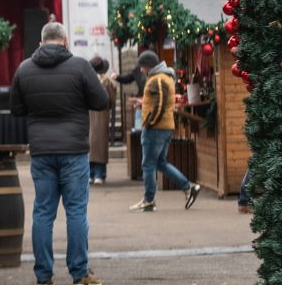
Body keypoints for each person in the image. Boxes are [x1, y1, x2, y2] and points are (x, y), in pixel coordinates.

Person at [8, 23, 109, 285]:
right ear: (65, 41)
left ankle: (43, 276)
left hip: (41, 151)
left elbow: (16, 109)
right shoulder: (80, 66)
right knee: (76, 211)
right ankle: (79, 274)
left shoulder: (24, 69)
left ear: (41, 42)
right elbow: (101, 101)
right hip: (74, 149)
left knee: (43, 211)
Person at [130, 50, 202, 211]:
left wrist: (149, 123)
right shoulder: (163, 77)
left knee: (148, 164)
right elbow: (158, 101)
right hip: (164, 126)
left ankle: (149, 200)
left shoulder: (158, 79)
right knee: (160, 163)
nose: (141, 70)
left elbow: (160, 104)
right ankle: (188, 187)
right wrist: (143, 103)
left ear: (148, 66)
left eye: (142, 67)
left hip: (156, 128)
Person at [87, 56, 114, 186]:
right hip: (102, 116)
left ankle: (90, 174)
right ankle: (100, 174)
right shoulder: (107, 82)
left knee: (90, 146)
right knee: (101, 146)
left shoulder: (87, 81)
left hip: (88, 117)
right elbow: (112, 101)